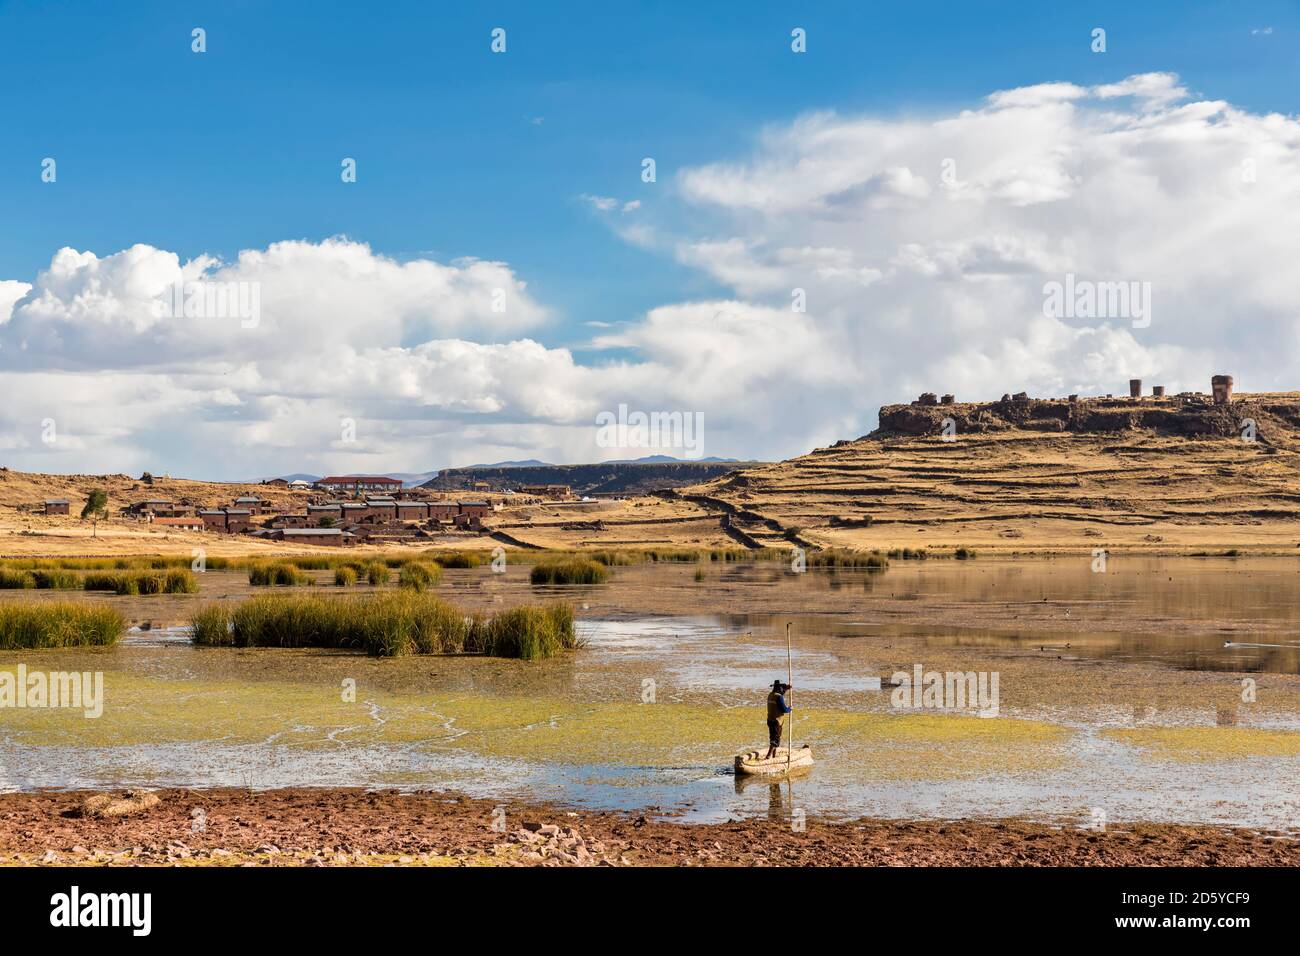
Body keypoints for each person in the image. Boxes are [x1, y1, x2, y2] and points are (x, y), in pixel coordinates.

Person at [765, 679, 792, 759]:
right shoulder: (779, 697)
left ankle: (774, 757)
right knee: (776, 740)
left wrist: (787, 688)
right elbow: (784, 709)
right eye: (781, 688)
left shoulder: (770, 695)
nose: (782, 689)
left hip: (770, 720)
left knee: (772, 738)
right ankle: (768, 756)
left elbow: (781, 694)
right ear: (778, 688)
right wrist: (790, 709)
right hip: (777, 721)